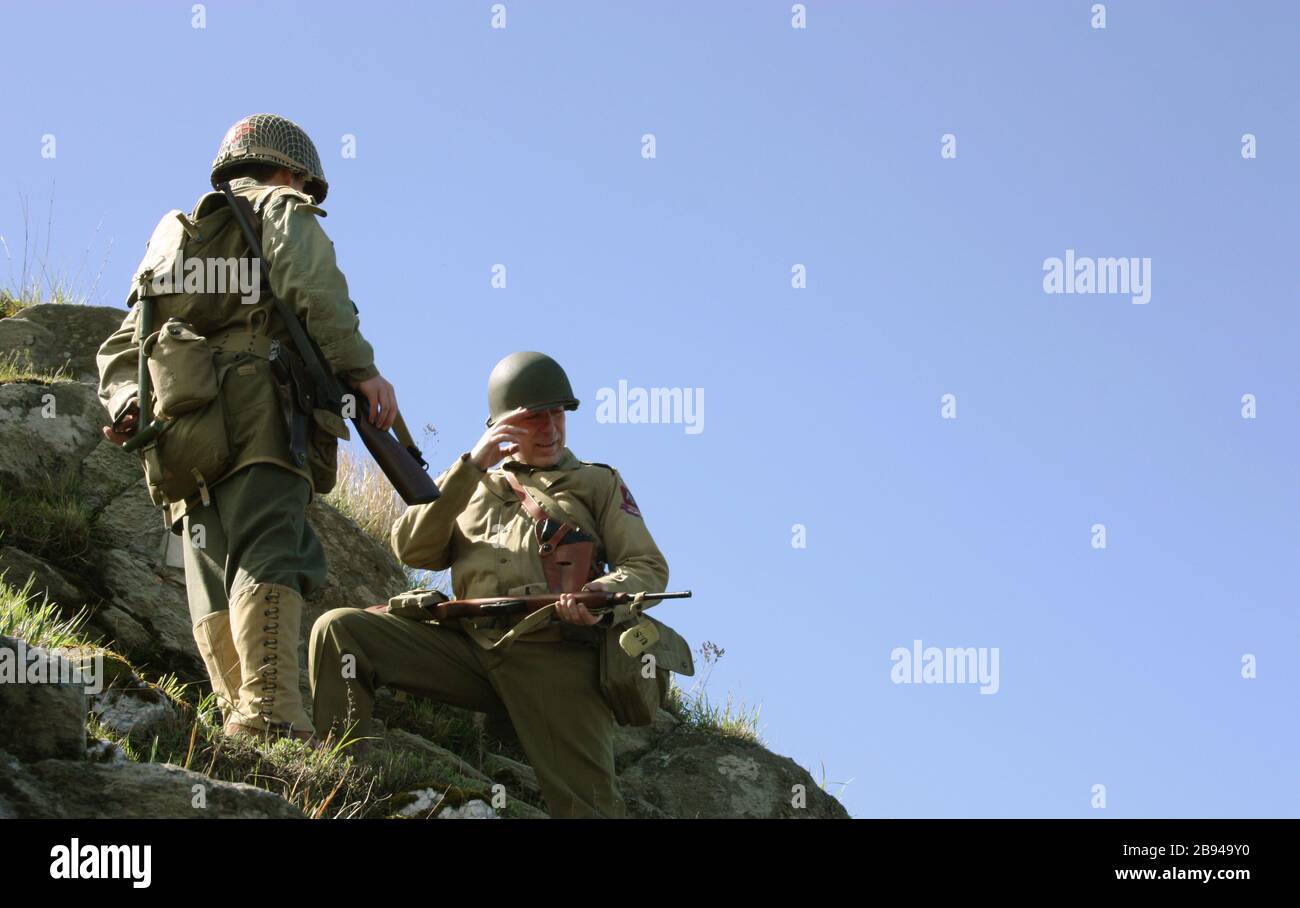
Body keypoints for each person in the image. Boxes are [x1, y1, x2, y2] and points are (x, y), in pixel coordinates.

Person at [96, 113, 400, 740]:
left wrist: (129, 399)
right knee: (269, 546)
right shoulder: (281, 206)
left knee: (209, 563)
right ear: (290, 171)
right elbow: (312, 285)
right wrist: (361, 370)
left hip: (181, 423)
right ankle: (273, 716)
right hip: (260, 405)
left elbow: (123, 345)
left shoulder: (174, 237)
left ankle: (242, 717)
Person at [309, 351, 677, 817]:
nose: (550, 429)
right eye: (533, 418)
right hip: (468, 648)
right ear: (501, 426)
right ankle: (339, 789)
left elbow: (646, 565)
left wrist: (599, 596)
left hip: (553, 651)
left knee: (591, 807)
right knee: (340, 630)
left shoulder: (596, 483)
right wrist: (472, 466)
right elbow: (412, 547)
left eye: (558, 414)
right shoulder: (469, 482)